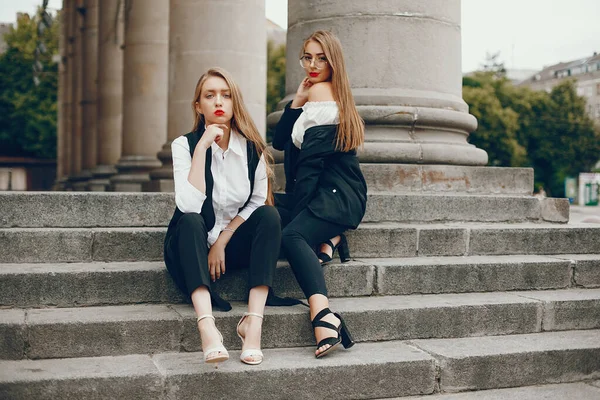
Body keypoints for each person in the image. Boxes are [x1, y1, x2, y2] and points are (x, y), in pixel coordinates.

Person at [164, 67, 281, 367]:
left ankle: (252, 324)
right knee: (189, 221)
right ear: (198, 106)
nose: (219, 101)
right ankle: (207, 327)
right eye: (210, 95)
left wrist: (223, 240)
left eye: (226, 95)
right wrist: (202, 146)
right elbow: (189, 206)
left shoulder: (253, 149)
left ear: (234, 102)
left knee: (269, 216)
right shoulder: (184, 145)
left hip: (230, 248)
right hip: (191, 247)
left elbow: (256, 200)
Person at [273, 30, 368, 358]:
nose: (312, 65)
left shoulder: (324, 94)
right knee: (268, 209)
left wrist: (299, 221)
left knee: (291, 235)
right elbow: (279, 142)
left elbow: (311, 167)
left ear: (333, 61)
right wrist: (296, 102)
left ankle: (323, 314)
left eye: (321, 58)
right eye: (307, 57)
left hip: (336, 194)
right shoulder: (313, 93)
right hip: (327, 192)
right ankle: (334, 237)